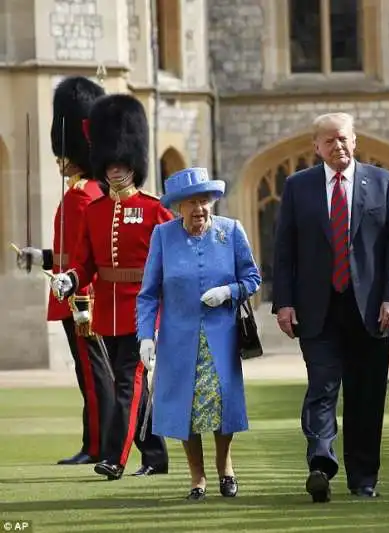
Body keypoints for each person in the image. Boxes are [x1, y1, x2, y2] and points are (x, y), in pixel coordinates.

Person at [272, 112, 389, 502]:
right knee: (321, 389)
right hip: (318, 308)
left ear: (356, 140)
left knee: (366, 396)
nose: (339, 146)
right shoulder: (298, 187)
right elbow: (285, 250)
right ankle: (320, 463)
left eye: (344, 138)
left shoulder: (384, 183)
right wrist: (283, 302)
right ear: (316, 147)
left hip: (370, 310)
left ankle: (363, 478)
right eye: (329, 141)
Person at [49, 93, 170, 480]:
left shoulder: (154, 210)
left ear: (134, 164)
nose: (116, 171)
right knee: (133, 384)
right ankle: (155, 455)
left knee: (127, 381)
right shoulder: (97, 210)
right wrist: (70, 278)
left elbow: (173, 256)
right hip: (107, 309)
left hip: (143, 307)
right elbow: (85, 261)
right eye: (110, 165)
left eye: (122, 164)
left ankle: (115, 457)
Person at [137, 167, 261, 500]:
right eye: (191, 203)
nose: (199, 209)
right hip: (178, 340)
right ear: (178, 207)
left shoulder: (231, 231)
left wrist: (228, 292)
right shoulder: (163, 236)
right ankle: (197, 477)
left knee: (223, 406)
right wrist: (146, 336)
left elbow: (252, 279)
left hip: (221, 337)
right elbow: (148, 293)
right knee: (186, 408)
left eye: (204, 201)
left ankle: (225, 467)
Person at [15, 76, 114, 465]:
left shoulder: (81, 196)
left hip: (80, 299)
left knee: (92, 375)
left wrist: (76, 290)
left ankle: (98, 446)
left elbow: (83, 258)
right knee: (89, 373)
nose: (60, 160)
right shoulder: (86, 194)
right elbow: (68, 253)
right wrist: (39, 257)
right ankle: (96, 442)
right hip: (76, 292)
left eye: (64, 153)